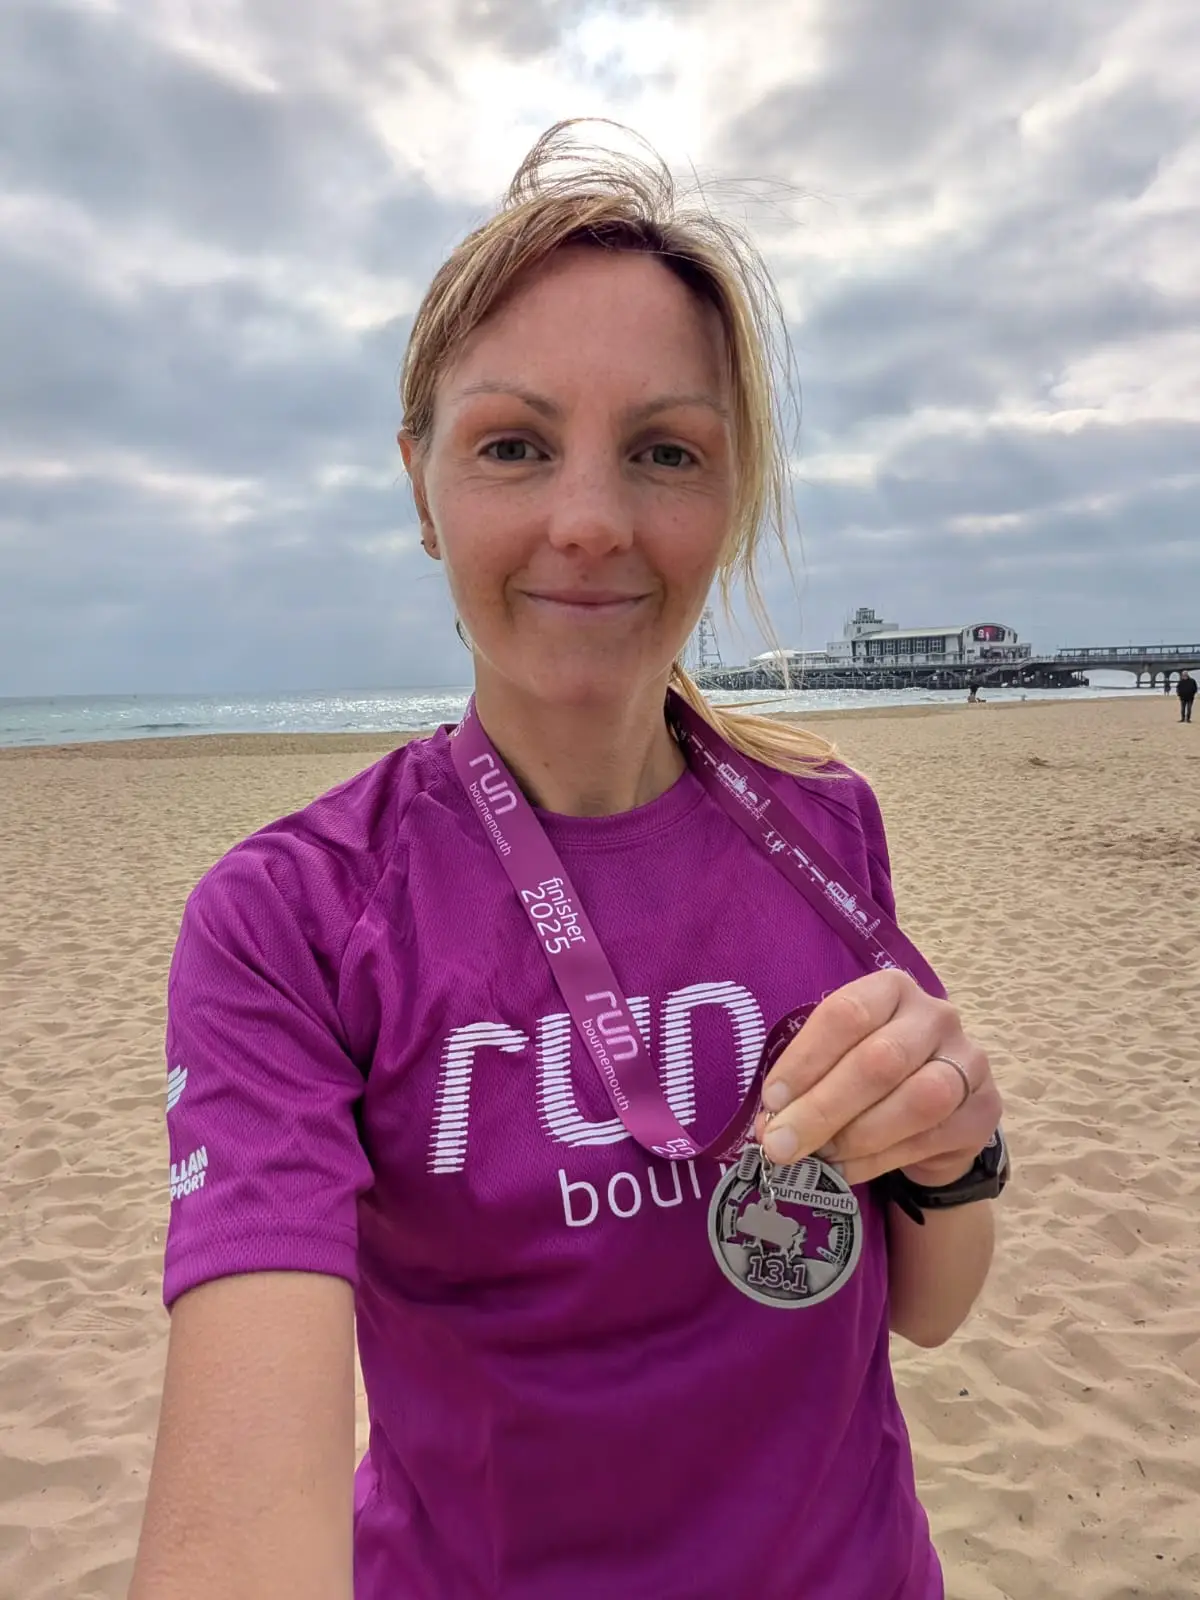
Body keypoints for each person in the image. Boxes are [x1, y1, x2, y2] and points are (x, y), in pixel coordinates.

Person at [131, 122, 1006, 1600]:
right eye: (513, 446)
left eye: (665, 452)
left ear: (729, 497)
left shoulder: (824, 825)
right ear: (421, 486)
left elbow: (928, 1306)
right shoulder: (293, 920)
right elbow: (243, 1510)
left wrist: (957, 1142)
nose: (591, 522)